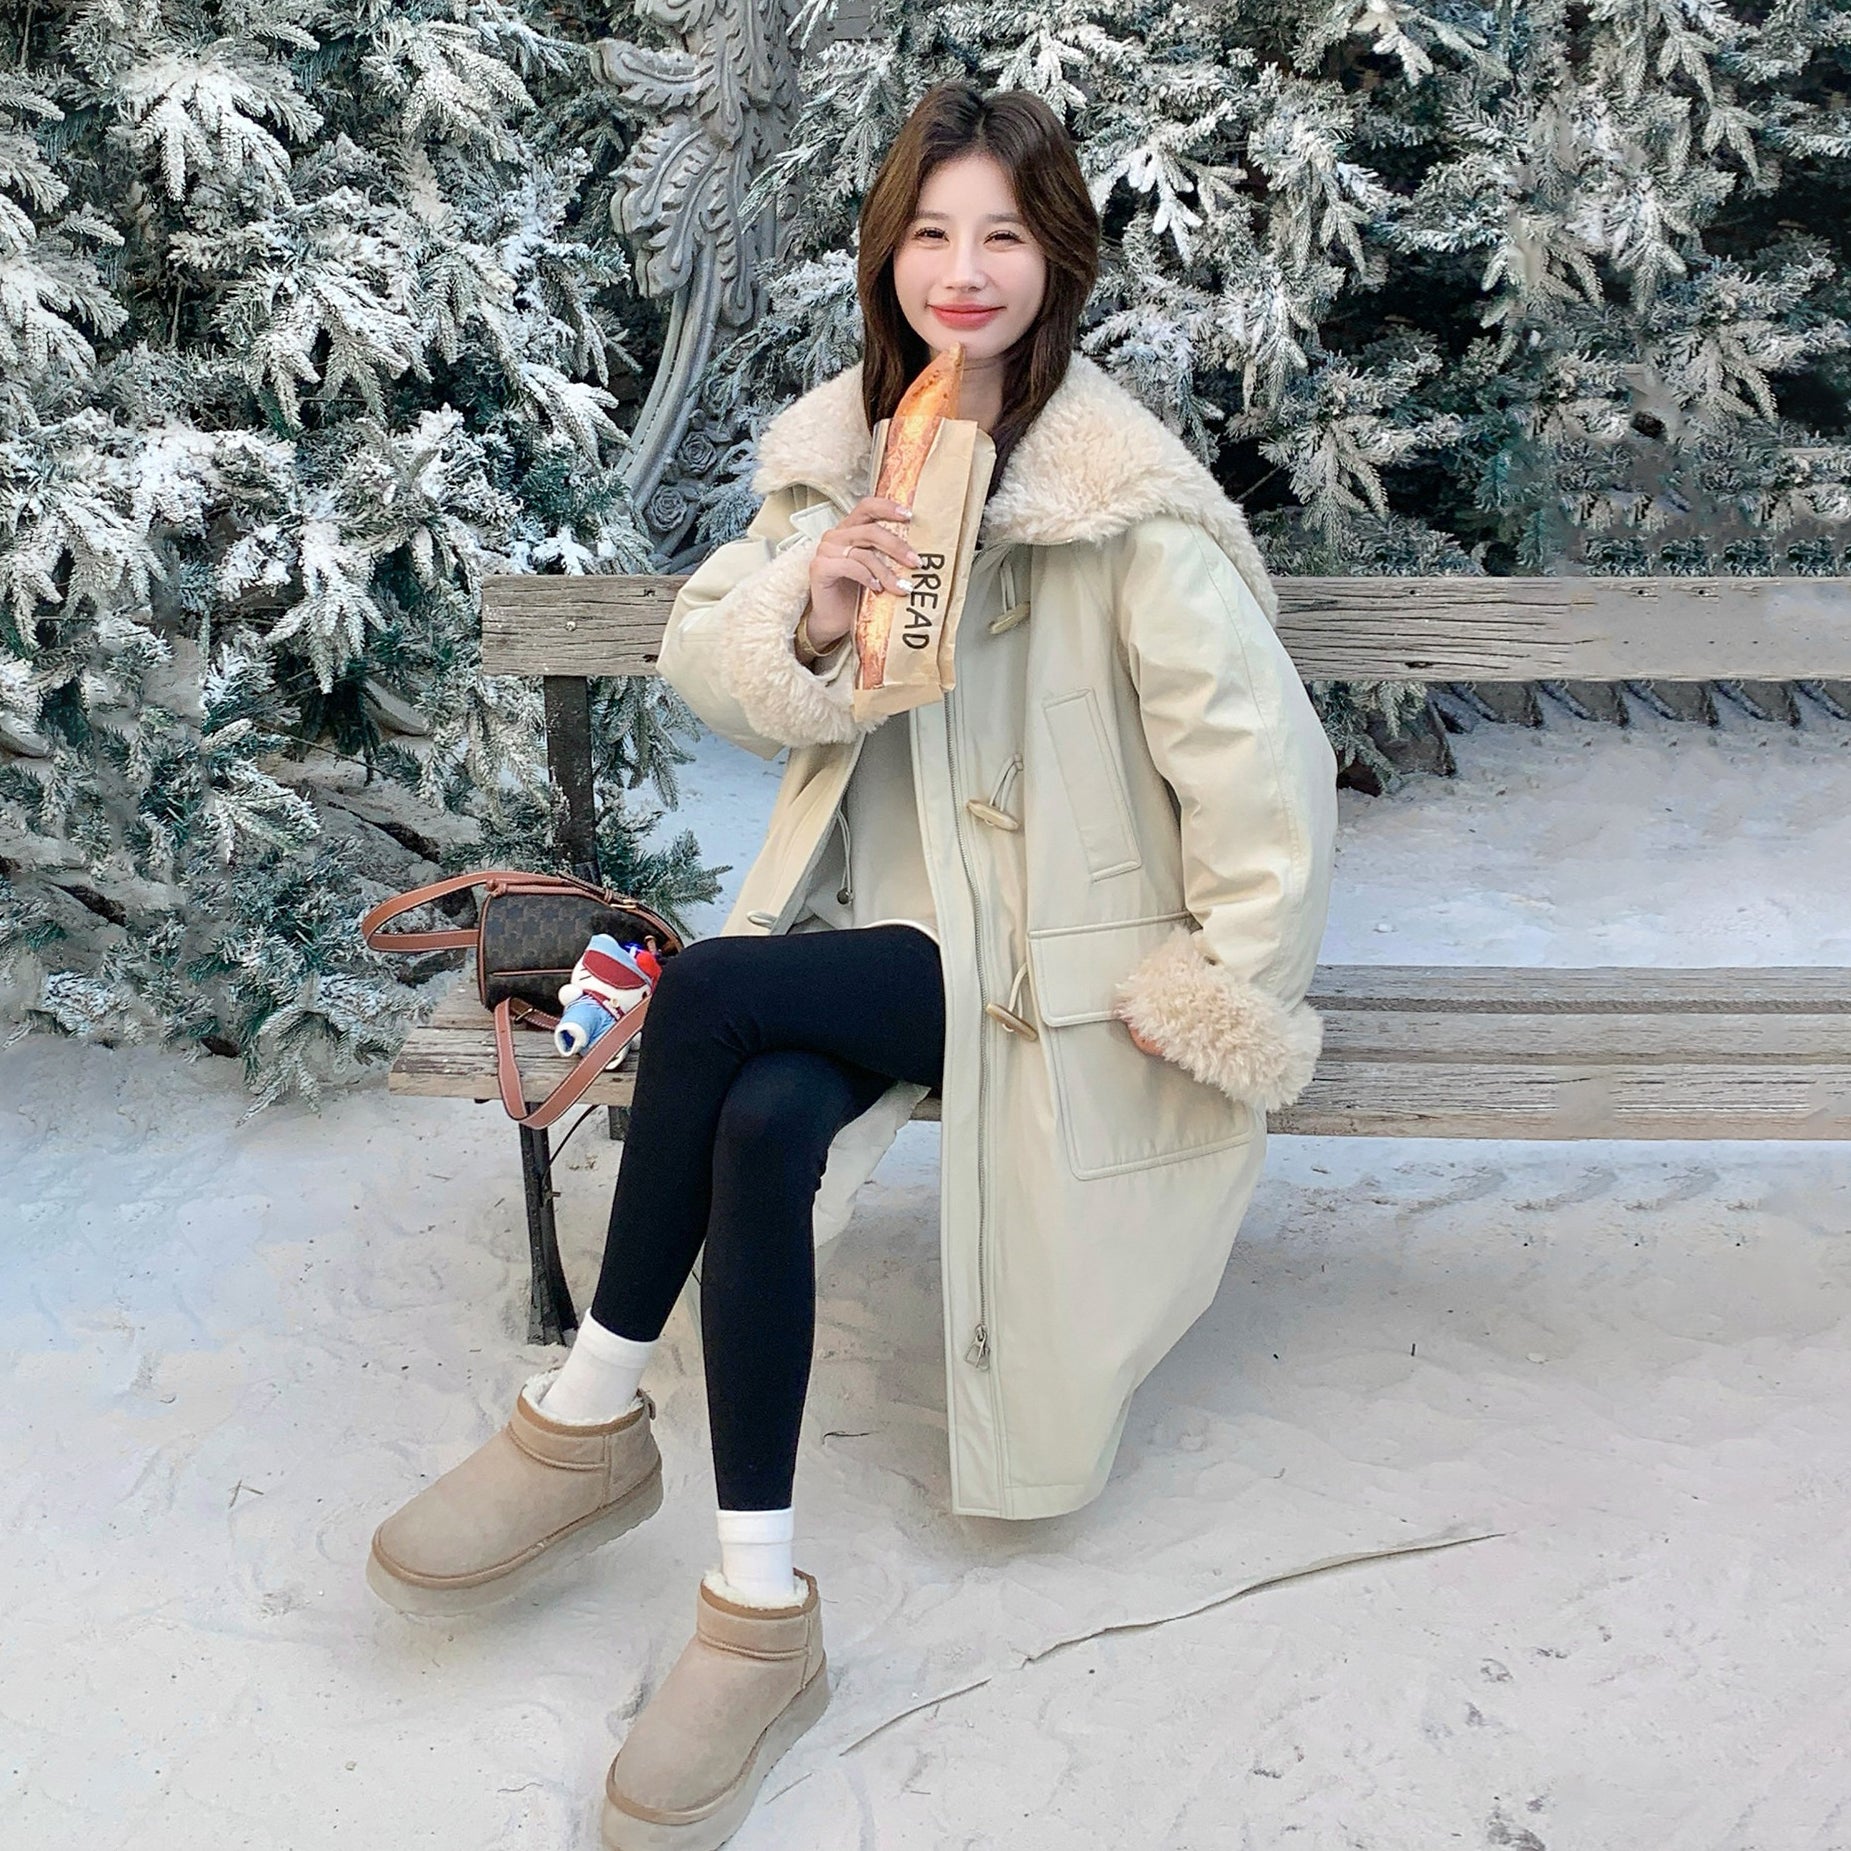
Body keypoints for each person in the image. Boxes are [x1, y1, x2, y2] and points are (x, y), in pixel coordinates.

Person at [366, 80, 1338, 1851]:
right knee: (755, 1122)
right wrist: (814, 602)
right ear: (887, 256)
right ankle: (757, 1613)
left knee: (714, 993)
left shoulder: (1121, 509)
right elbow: (713, 656)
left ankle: (583, 1416)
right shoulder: (849, 457)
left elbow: (1265, 786)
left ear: (1058, 260)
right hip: (885, 946)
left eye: (1005, 236)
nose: (964, 270)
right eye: (930, 233)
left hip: (1057, 972)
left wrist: (1221, 985)